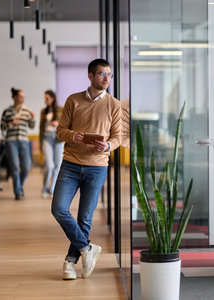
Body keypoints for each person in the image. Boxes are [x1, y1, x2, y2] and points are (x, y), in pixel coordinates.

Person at [51, 58, 129, 280]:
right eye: (102, 74)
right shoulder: (73, 100)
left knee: (85, 217)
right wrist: (72, 135)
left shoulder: (114, 105)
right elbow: (60, 131)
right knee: (58, 208)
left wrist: (109, 145)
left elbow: (118, 136)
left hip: (97, 167)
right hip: (71, 164)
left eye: (109, 75)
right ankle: (87, 248)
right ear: (90, 76)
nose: (107, 78)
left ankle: (70, 262)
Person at [0, 87, 36, 200]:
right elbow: (2, 127)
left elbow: (31, 126)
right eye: (20, 96)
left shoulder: (27, 111)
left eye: (24, 97)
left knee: (26, 167)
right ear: (14, 97)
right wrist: (11, 123)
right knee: (15, 167)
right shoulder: (7, 111)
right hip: (11, 141)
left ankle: (19, 186)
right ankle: (18, 192)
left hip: (24, 141)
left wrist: (33, 119)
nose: (22, 99)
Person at [39, 90, 64, 199]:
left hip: (58, 139)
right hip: (47, 138)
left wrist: (58, 123)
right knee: (49, 165)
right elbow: (40, 128)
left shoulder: (61, 109)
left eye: (47, 98)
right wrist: (40, 143)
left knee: (58, 165)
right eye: (45, 98)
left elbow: (67, 123)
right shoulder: (43, 111)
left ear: (53, 98)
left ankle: (52, 188)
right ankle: (44, 188)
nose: (45, 100)